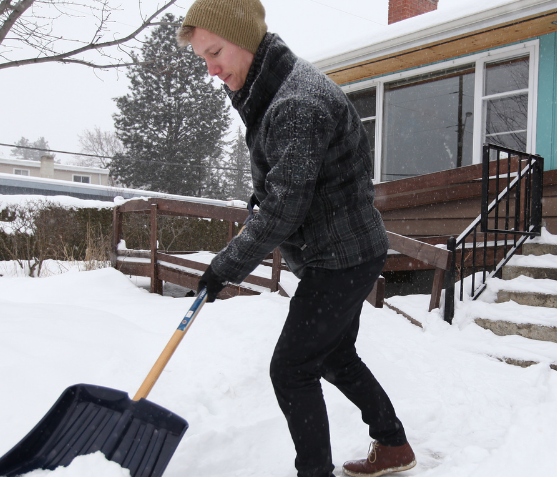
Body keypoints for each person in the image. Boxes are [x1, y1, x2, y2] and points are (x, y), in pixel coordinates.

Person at [177, 1, 417, 476]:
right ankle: (393, 445)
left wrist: (225, 266)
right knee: (333, 356)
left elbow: (285, 208)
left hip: (342, 257)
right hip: (342, 250)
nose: (211, 68)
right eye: (203, 58)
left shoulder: (296, 104)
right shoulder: (268, 89)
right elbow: (287, 184)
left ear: (244, 38)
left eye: (216, 52)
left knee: (292, 369)